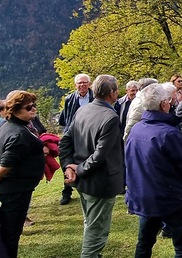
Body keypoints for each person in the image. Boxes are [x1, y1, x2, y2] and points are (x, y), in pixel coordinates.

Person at [60, 74, 126, 258]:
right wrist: (76, 169)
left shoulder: (83, 110)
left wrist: (69, 167)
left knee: (90, 222)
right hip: (100, 182)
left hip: (84, 181)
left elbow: (65, 141)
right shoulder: (110, 117)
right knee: (97, 230)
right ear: (112, 93)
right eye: (116, 90)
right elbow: (99, 155)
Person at [125, 83, 182, 258]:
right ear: (164, 104)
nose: (170, 103)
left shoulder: (136, 129)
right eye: (169, 101)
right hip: (169, 197)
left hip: (144, 194)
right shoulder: (169, 133)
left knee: (144, 242)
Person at [0, 91, 45, 257]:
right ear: (15, 111)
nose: (33, 109)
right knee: (11, 232)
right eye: (28, 107)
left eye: (34, 105)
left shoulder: (6, 127)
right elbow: (6, 163)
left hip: (12, 187)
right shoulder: (18, 133)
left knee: (9, 229)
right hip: (15, 190)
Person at [58, 73, 93, 205]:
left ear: (89, 84)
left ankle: (88, 188)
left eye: (85, 82)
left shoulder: (95, 97)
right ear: (75, 85)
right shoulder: (69, 99)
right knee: (68, 161)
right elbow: (64, 119)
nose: (82, 85)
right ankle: (67, 191)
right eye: (79, 83)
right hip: (73, 134)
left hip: (90, 133)